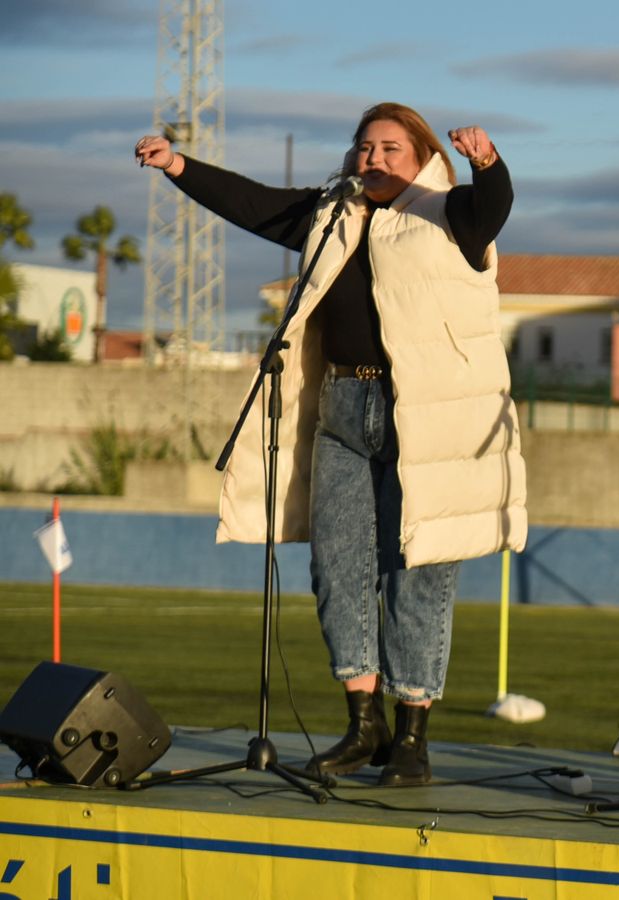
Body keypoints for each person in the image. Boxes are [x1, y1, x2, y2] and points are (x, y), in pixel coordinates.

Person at [134, 102, 527, 785]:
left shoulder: (452, 212)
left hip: (427, 418)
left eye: (389, 149)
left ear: (422, 155)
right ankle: (363, 724)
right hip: (343, 408)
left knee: (419, 576)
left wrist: (486, 161)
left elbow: (493, 206)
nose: (372, 159)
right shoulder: (332, 214)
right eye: (364, 148)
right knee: (337, 569)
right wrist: (178, 166)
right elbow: (254, 204)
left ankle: (412, 737)